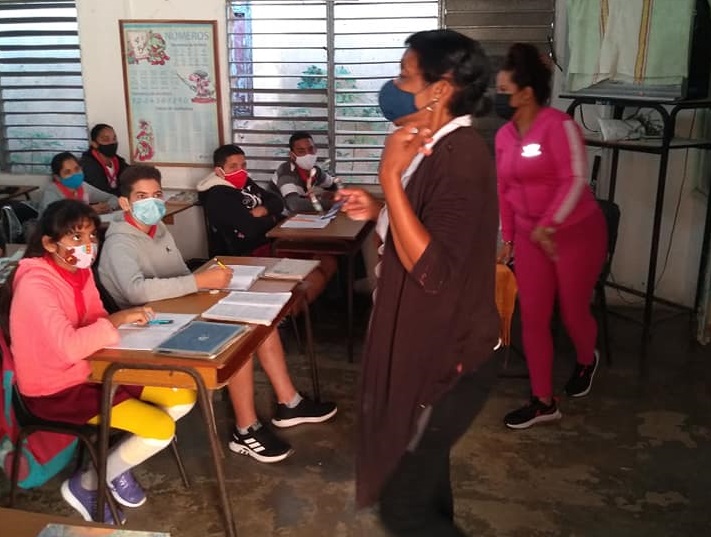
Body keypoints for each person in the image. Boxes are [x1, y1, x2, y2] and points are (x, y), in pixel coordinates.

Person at [338, 29, 499, 535]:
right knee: (426, 488)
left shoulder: (462, 155)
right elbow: (435, 228)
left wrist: (388, 177)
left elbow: (434, 269)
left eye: (405, 75)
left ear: (439, 88)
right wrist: (385, 206)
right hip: (440, 344)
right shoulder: (439, 148)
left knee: (404, 505)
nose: (394, 84)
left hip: (450, 358)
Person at [98, 164, 337, 463]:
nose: (152, 202)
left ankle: (289, 402)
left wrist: (207, 284)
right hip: (147, 328)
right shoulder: (119, 242)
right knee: (236, 338)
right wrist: (199, 282)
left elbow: (179, 273)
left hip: (178, 310)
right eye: (142, 196)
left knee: (261, 321)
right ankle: (245, 430)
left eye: (157, 194)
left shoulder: (157, 230)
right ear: (124, 203)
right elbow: (136, 292)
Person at [0, 199, 196, 524]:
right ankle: (86, 484)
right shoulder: (36, 283)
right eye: (76, 238)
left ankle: (115, 465)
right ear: (49, 243)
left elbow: (96, 317)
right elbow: (71, 347)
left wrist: (125, 323)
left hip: (89, 371)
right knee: (160, 429)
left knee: (182, 394)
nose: (88, 245)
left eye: (92, 236)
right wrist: (118, 320)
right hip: (55, 391)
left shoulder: (79, 271)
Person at [494, 43, 607, 429]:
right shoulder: (504, 137)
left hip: (576, 234)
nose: (500, 99)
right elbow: (505, 189)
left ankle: (586, 358)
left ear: (526, 93)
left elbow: (574, 179)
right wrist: (508, 237)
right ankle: (543, 401)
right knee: (534, 317)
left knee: (573, 311)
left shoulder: (560, 127)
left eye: (505, 92)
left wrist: (550, 223)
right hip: (530, 238)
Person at [197, 144, 283, 256]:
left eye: (243, 165)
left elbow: (277, 201)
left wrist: (264, 209)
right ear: (219, 171)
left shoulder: (245, 181)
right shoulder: (218, 195)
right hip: (242, 254)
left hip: (266, 242)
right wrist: (274, 218)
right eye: (233, 167)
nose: (241, 171)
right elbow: (251, 229)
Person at [272, 131, 337, 214]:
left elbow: (334, 184)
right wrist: (332, 203)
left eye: (310, 149)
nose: (308, 154)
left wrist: (331, 194)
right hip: (280, 219)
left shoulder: (315, 171)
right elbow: (295, 205)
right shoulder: (286, 172)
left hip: (302, 216)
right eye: (301, 151)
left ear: (316, 150)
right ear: (292, 155)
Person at [39, 152, 119, 215]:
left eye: (77, 169)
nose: (74, 174)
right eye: (67, 172)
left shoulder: (83, 187)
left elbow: (112, 198)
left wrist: (108, 207)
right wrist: (87, 211)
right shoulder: (52, 192)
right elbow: (54, 217)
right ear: (57, 177)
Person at [80, 123, 129, 197]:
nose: (112, 143)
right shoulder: (88, 165)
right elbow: (102, 191)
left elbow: (131, 175)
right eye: (106, 139)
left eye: (114, 139)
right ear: (94, 144)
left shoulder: (118, 161)